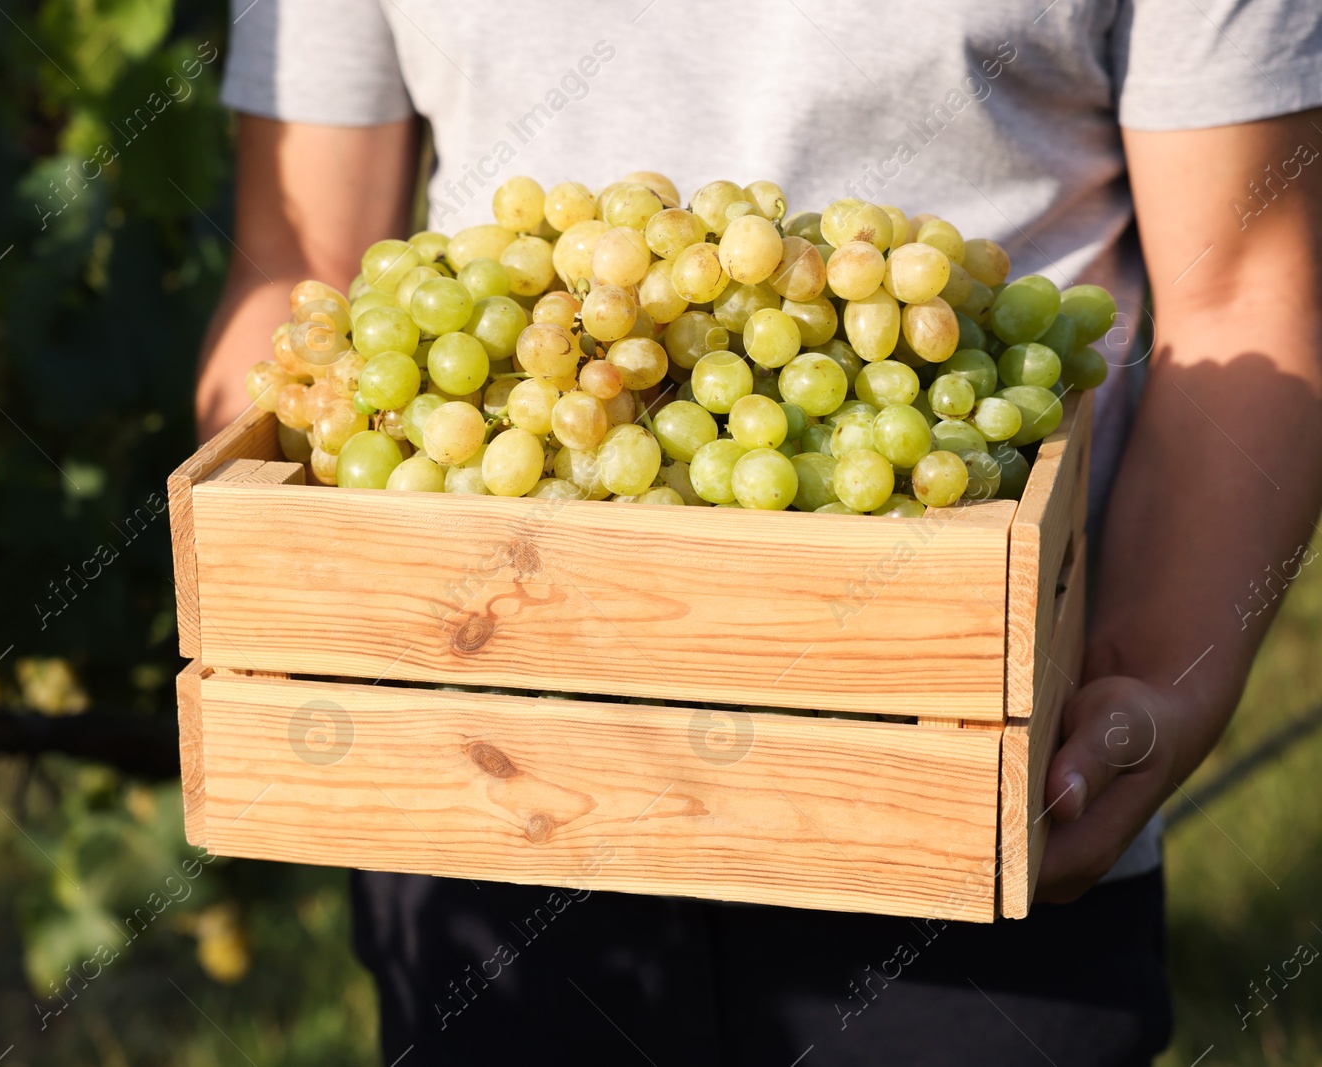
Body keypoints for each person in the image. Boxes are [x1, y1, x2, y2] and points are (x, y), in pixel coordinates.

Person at [196, 2, 1322, 1062]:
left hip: (965, 796)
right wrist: (279, 580)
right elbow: (296, 257)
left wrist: (1154, 678)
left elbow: (1247, 285)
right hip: (481, 782)